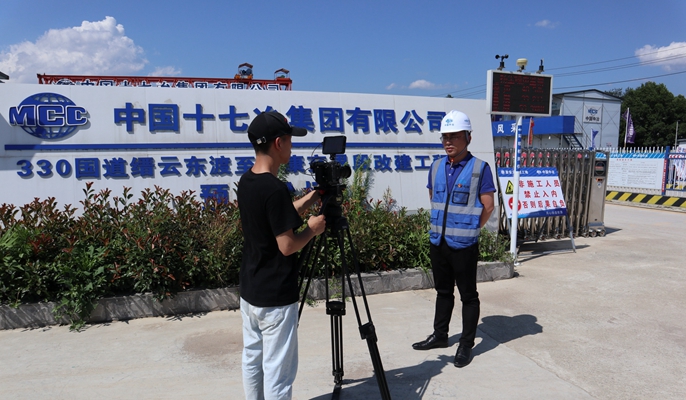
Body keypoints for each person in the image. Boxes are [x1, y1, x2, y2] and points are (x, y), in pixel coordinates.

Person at [237, 110, 326, 399]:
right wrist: (312, 229)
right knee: (278, 372)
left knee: (252, 358)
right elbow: (287, 245)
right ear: (278, 143)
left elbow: (275, 218)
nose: (292, 146)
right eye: (289, 140)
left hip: (251, 290)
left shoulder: (247, 181)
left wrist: (312, 197)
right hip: (275, 296)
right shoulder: (274, 189)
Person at [411, 110, 496, 368]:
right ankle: (440, 336)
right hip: (439, 242)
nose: (448, 142)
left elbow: (488, 206)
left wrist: (470, 228)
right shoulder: (436, 166)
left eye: (455, 136)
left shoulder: (480, 168)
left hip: (464, 245)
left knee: (468, 296)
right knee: (443, 292)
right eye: (445, 137)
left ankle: (466, 344)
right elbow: (434, 199)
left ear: (468, 137)